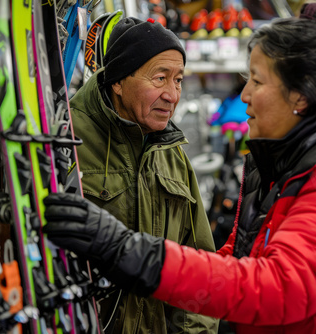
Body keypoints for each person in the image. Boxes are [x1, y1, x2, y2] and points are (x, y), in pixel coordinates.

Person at [46, 3, 316, 333]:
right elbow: (231, 264)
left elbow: (278, 287)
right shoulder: (290, 169)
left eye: (256, 81)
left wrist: (124, 249)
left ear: (299, 96)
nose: (243, 95)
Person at [67, 17, 218, 334]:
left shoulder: (172, 153)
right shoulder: (68, 141)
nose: (172, 95)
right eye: (160, 78)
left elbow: (200, 265)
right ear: (118, 82)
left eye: (178, 80)